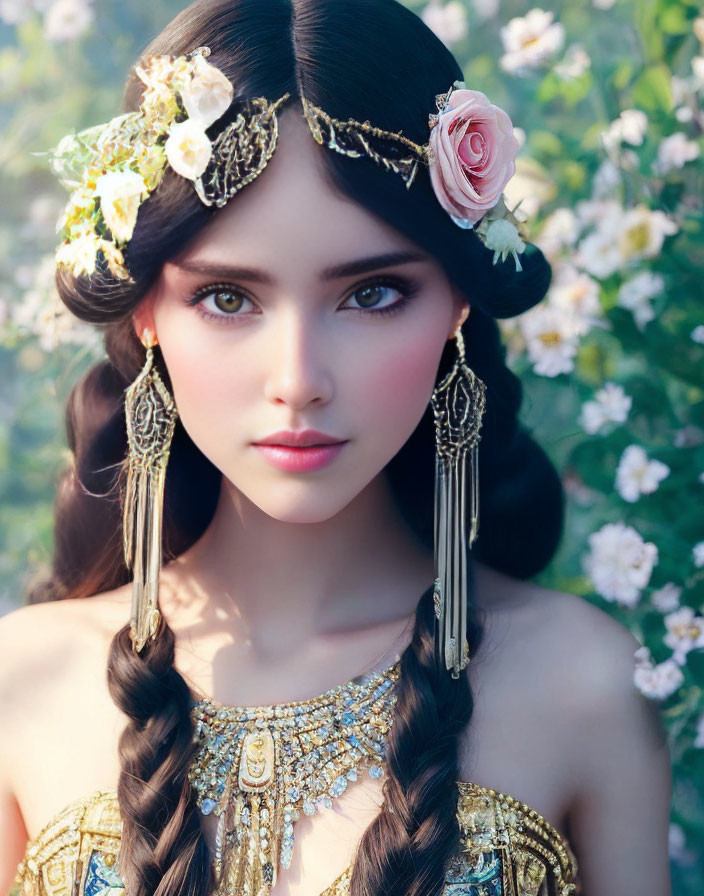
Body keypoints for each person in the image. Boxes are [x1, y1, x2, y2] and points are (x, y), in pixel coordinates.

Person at [0, 1, 672, 895]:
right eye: (228, 298)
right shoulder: (24, 682)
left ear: (460, 301)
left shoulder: (580, 683)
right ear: (149, 312)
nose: (299, 378)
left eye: (373, 294)